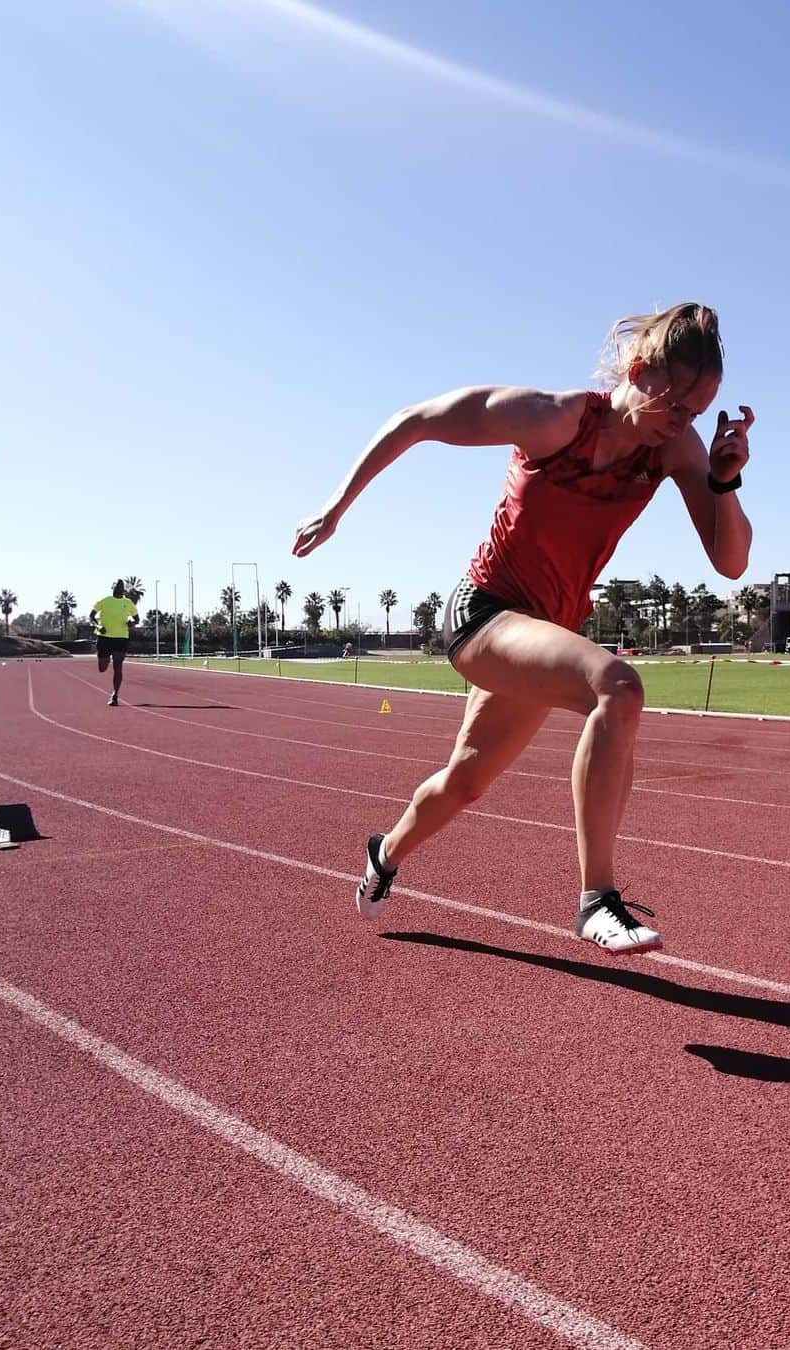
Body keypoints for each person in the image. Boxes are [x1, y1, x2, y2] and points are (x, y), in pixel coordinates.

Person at [292, 303, 753, 955]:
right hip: (481, 615)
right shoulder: (552, 419)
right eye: (676, 403)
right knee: (616, 687)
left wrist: (724, 480)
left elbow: (731, 562)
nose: (685, 423)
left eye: (698, 413)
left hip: (542, 636)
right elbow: (416, 420)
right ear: (638, 369)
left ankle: (383, 854)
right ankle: (598, 899)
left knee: (465, 782)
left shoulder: (675, 450)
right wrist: (337, 506)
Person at [89, 580, 138, 706]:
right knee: (102, 668)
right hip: (104, 637)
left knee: (118, 667)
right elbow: (91, 616)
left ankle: (115, 695)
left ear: (123, 590)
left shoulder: (128, 603)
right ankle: (105, 658)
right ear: (113, 588)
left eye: (121, 587)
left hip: (121, 638)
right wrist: (98, 626)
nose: (119, 588)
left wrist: (132, 623)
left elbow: (137, 619)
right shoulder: (105, 601)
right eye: (117, 586)